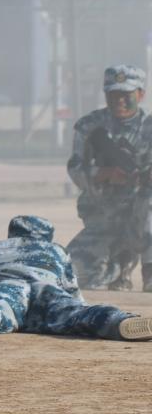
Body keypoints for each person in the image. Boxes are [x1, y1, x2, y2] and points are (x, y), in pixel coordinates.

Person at [0, 215, 152, 341]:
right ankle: (120, 322)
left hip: (8, 287)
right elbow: (72, 289)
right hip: (47, 290)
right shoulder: (56, 249)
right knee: (81, 315)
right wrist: (77, 306)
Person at [65, 65, 152, 290]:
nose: (119, 100)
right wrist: (102, 174)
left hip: (141, 219)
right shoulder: (90, 126)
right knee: (72, 276)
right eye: (113, 94)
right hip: (104, 218)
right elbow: (75, 167)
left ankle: (150, 270)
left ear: (141, 94)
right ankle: (119, 266)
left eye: (125, 95)